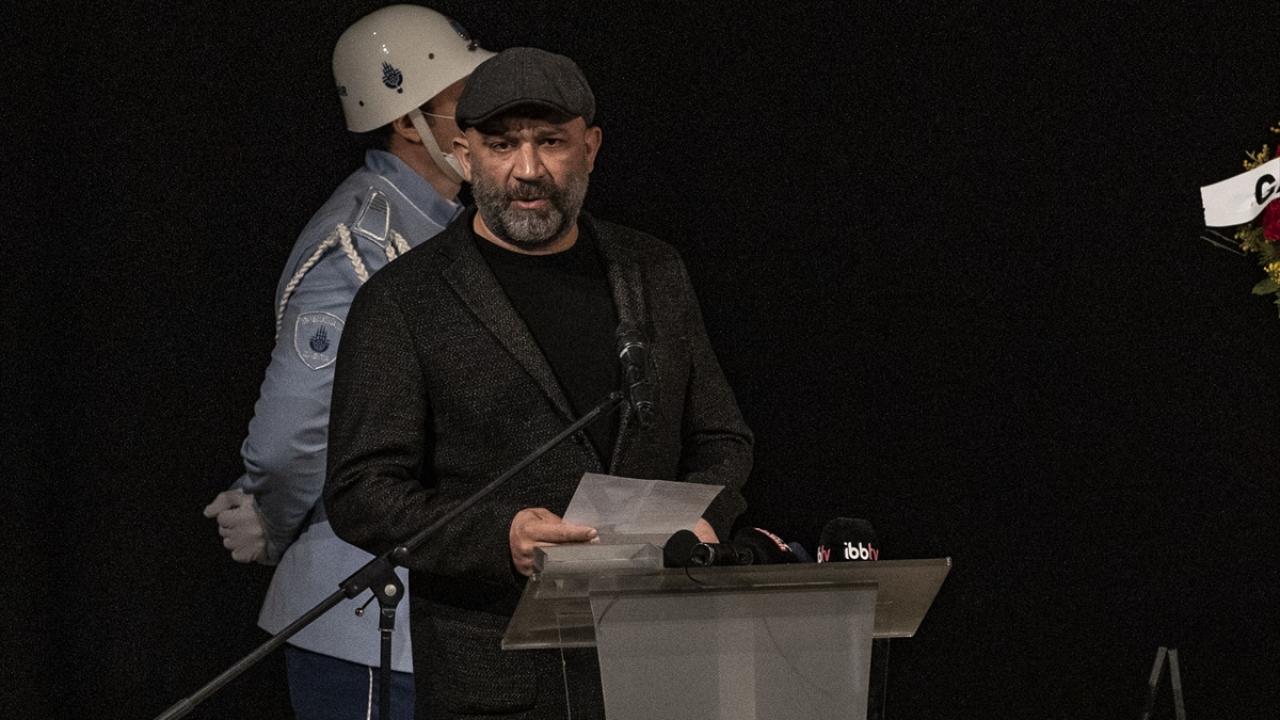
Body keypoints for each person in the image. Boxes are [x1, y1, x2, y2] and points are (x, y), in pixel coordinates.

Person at [323, 47, 753, 719]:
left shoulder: (653, 271)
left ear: (591, 148)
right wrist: (502, 536)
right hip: (498, 682)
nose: (527, 170)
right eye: (502, 145)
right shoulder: (402, 301)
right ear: (464, 155)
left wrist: (707, 519)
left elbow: (722, 438)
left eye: (551, 142)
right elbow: (361, 492)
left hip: (659, 660)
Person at [201, 6, 494, 718]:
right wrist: (270, 516)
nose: (485, 120)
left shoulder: (449, 227)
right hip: (367, 617)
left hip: (445, 614)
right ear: (408, 122)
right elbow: (296, 427)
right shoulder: (360, 241)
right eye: (464, 101)